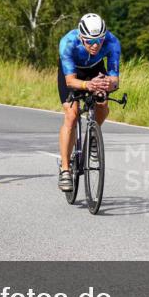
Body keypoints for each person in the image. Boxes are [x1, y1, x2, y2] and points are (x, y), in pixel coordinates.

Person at [57, 13, 121, 192]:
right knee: (72, 114)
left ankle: (93, 137)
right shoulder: (68, 43)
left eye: (99, 40)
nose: (95, 45)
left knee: (102, 103)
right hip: (73, 74)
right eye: (90, 41)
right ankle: (65, 169)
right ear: (81, 37)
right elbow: (70, 81)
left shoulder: (112, 42)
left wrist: (109, 83)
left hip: (95, 70)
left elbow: (115, 79)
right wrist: (87, 85)